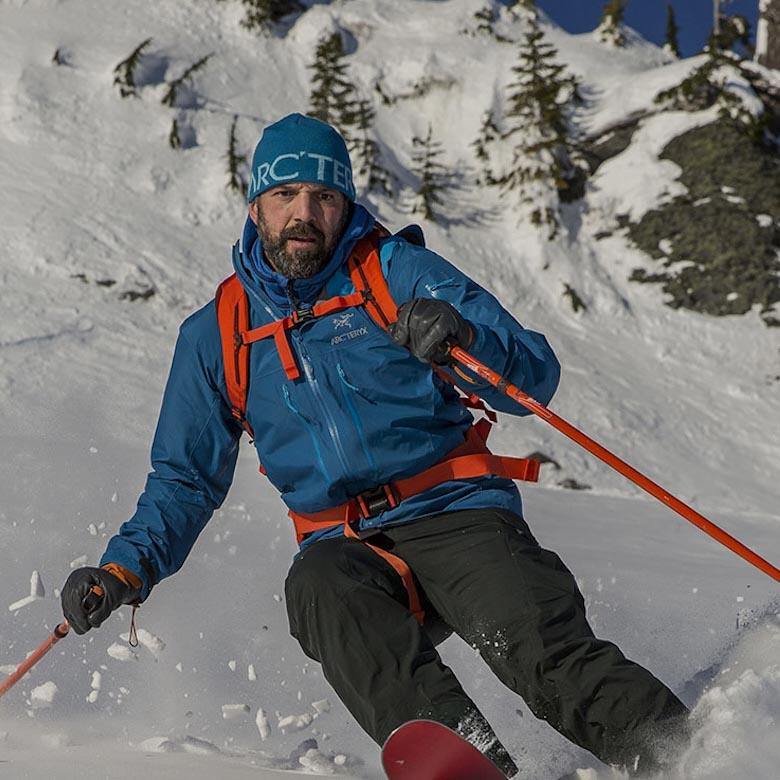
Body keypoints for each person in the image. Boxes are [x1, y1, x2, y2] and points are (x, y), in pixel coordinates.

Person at [61, 113, 688, 777]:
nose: (305, 214)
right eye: (286, 195)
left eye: (325, 197)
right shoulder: (218, 334)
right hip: (345, 548)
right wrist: (126, 569)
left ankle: (695, 758)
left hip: (457, 514)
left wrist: (463, 342)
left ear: (345, 205)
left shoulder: (395, 272)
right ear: (255, 206)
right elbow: (186, 479)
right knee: (317, 586)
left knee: (538, 650)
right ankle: (463, 761)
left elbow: (533, 373)